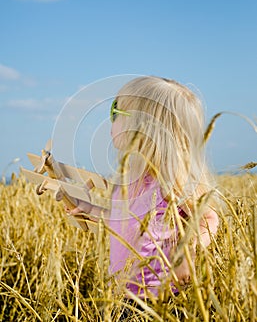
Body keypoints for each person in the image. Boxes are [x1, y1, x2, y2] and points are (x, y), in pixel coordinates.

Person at [65, 76, 219, 304]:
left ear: (142, 126)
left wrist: (188, 252)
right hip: (121, 295)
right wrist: (90, 208)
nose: (111, 120)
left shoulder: (169, 180)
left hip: (157, 299)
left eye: (116, 112)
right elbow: (124, 219)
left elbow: (208, 216)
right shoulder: (128, 180)